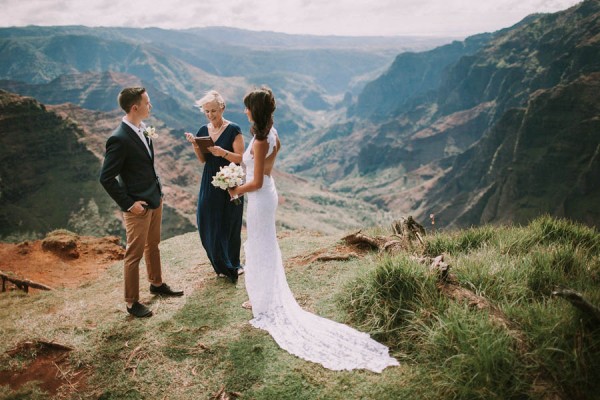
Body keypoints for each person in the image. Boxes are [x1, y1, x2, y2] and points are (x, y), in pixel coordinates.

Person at [228, 87, 399, 373]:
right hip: (268, 193)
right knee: (264, 244)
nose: (244, 111)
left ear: (254, 111)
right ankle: (264, 296)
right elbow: (273, 159)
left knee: (260, 245)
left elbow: (255, 181)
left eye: (247, 107)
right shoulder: (271, 132)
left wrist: (235, 190)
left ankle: (263, 302)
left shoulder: (258, 141)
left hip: (259, 196)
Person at [100, 87, 183, 318]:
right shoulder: (119, 138)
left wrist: (159, 191)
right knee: (133, 255)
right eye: (148, 102)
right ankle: (131, 302)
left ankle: (156, 283)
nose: (151, 106)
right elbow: (105, 178)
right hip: (138, 207)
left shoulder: (143, 129)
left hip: (154, 198)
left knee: (153, 245)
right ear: (135, 107)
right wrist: (129, 204)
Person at [184, 90, 245, 284]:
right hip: (210, 182)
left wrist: (222, 152)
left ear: (222, 108)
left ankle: (233, 265)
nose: (210, 115)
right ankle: (219, 264)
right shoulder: (203, 131)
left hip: (230, 181)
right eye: (206, 112)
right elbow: (203, 160)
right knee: (207, 223)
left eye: (213, 111)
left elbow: (240, 158)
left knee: (230, 224)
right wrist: (195, 145)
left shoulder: (233, 129)